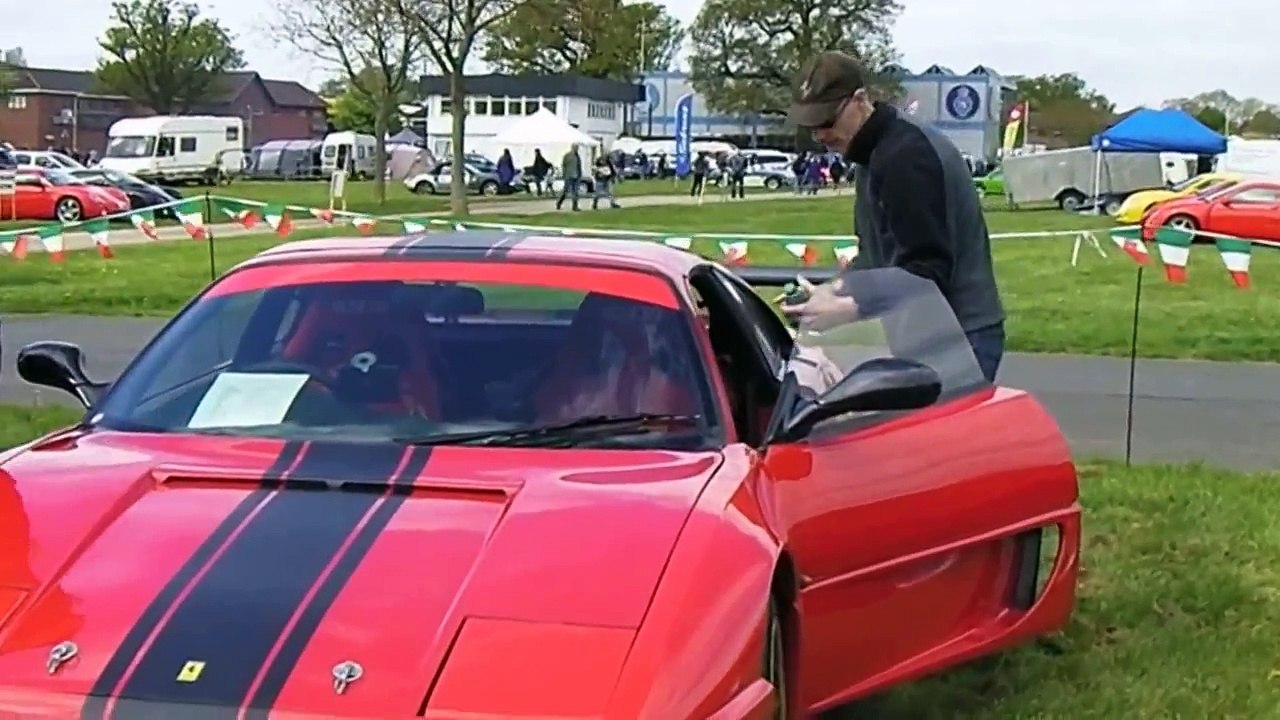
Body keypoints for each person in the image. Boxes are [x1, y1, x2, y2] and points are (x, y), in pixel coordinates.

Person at [781, 51, 1006, 382]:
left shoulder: (906, 157)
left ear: (860, 100)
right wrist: (833, 291)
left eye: (827, 122)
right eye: (811, 126)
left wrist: (848, 309)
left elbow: (926, 270)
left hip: (957, 336)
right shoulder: (874, 153)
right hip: (928, 332)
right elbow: (878, 256)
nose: (820, 135)